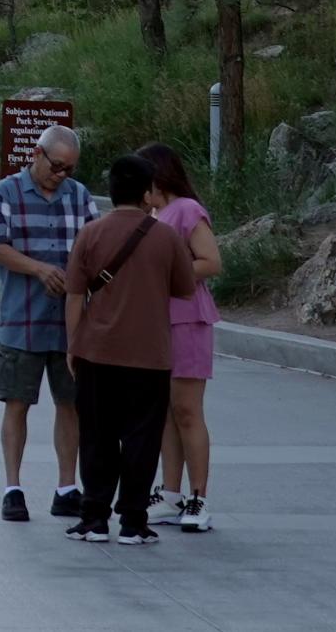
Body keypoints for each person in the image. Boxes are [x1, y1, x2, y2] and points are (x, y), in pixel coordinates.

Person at [63, 153, 199, 547]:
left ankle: (94, 518)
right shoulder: (166, 237)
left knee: (97, 436)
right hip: (150, 355)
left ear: (110, 191)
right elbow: (184, 288)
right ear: (147, 193)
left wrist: (73, 344)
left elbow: (75, 295)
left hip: (95, 352)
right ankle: (133, 522)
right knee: (142, 438)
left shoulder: (90, 233)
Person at [0, 124, 96, 522]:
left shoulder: (80, 197)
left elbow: (95, 249)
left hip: (70, 323)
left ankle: (66, 487)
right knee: (17, 403)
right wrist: (39, 269)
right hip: (22, 319)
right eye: (57, 165)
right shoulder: (5, 192)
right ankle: (13, 488)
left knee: (71, 404)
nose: (61, 174)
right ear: (37, 154)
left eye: (69, 168)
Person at [136, 141, 223, 531]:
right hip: (157, 322)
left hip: (187, 320)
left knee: (187, 410)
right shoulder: (155, 215)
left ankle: (198, 497)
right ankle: (170, 493)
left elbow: (211, 261)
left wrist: (167, 273)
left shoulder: (186, 209)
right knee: (166, 412)